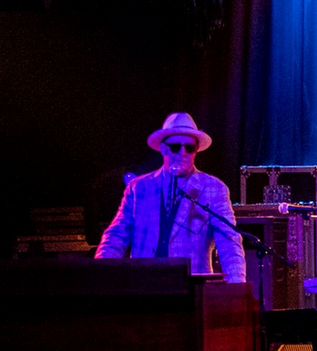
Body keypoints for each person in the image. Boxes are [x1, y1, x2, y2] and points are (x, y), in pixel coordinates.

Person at [96, 112, 248, 283]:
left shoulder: (213, 188)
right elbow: (117, 235)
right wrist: (99, 276)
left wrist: (237, 285)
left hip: (191, 289)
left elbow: (228, 241)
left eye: (189, 148)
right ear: (163, 148)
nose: (183, 152)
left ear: (196, 150)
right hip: (143, 285)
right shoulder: (139, 188)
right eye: (175, 146)